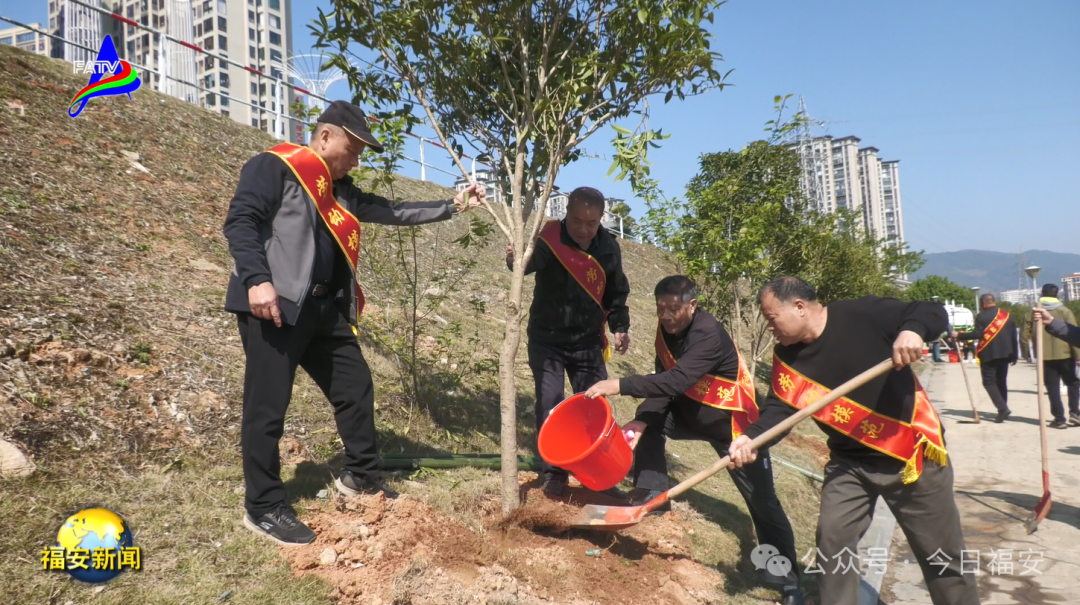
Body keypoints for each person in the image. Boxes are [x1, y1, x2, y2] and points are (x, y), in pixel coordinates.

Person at [223, 100, 485, 545]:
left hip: (325, 312)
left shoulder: (341, 191)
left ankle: (361, 477)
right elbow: (241, 221)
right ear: (326, 136)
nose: (357, 160)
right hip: (276, 307)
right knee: (267, 408)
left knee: (355, 386)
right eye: (354, 149)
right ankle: (263, 506)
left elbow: (395, 210)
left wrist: (455, 205)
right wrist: (257, 279)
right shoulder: (275, 166)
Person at [728, 277, 979, 605]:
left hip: (910, 456)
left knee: (940, 554)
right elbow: (780, 409)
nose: (769, 327)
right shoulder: (787, 357)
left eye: (771, 318)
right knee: (833, 541)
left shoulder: (863, 314)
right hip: (849, 464)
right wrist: (751, 438)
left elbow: (930, 311)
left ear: (799, 307)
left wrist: (913, 330)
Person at [584, 276, 803, 605]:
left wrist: (620, 385)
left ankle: (789, 581)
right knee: (650, 422)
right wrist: (644, 419)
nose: (666, 316)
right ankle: (653, 497)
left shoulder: (707, 334)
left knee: (763, 502)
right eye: (660, 309)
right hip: (689, 414)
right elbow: (663, 381)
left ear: (692, 305)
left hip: (733, 428)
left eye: (673, 309)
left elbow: (677, 379)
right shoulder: (666, 330)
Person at [506, 186, 631, 497]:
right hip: (547, 340)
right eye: (577, 221)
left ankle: (599, 474)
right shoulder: (550, 238)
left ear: (601, 220)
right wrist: (514, 257)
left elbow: (616, 292)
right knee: (550, 402)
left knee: (595, 405)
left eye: (592, 223)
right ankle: (555, 474)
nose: (583, 229)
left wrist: (620, 326)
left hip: (587, 343)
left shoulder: (608, 247)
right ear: (566, 214)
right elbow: (526, 264)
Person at [953, 294, 1018, 423]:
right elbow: (1013, 336)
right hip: (1006, 354)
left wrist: (959, 335)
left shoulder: (981, 316)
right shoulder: (1007, 315)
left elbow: (977, 334)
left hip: (989, 355)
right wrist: (1015, 354)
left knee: (988, 382)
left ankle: (1003, 409)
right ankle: (1003, 409)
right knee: (1001, 382)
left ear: (983, 303)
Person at [1023, 285, 1080, 428]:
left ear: (1041, 294)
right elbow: (1072, 332)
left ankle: (1059, 419)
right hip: (1066, 354)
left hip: (1044, 356)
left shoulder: (1034, 312)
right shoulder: (1065, 311)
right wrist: (1078, 355)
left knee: (1052, 388)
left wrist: (1025, 353)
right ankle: (1075, 413)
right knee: (1072, 383)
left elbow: (1024, 334)